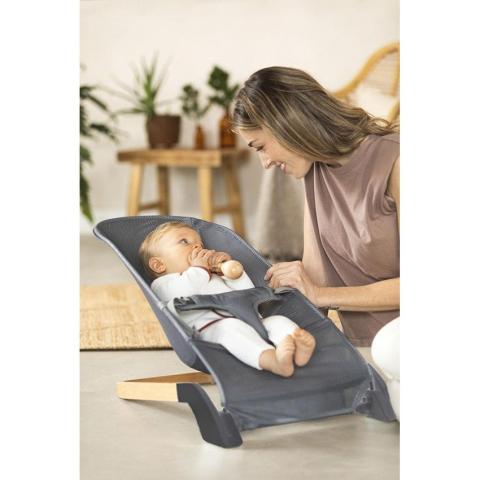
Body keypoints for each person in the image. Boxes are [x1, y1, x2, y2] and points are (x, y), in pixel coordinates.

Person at [232, 66, 400, 415]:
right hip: (367, 349)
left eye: (261, 146)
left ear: (288, 123)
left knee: (388, 352)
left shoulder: (397, 160)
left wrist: (322, 295)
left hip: (400, 340)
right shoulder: (314, 170)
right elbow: (315, 277)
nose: (264, 163)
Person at [138, 221, 316, 377]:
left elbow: (246, 293)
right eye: (184, 242)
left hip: (250, 318)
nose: (197, 247)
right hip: (214, 330)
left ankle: (294, 345)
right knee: (232, 329)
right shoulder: (164, 284)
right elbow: (180, 293)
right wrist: (199, 270)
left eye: (200, 244)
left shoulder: (212, 276)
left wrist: (231, 273)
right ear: (158, 265)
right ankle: (271, 360)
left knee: (277, 321)